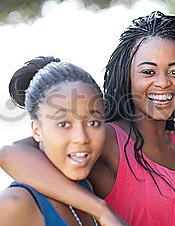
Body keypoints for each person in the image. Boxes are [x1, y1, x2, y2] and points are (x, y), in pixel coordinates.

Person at [0, 11, 175, 226]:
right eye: (148, 71)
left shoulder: (173, 140)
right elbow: (10, 154)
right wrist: (103, 211)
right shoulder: (106, 138)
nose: (163, 82)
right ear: (126, 74)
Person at [0, 56, 127, 226]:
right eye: (64, 124)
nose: (82, 138)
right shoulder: (16, 204)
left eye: (93, 123)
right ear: (36, 130)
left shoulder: (86, 187)